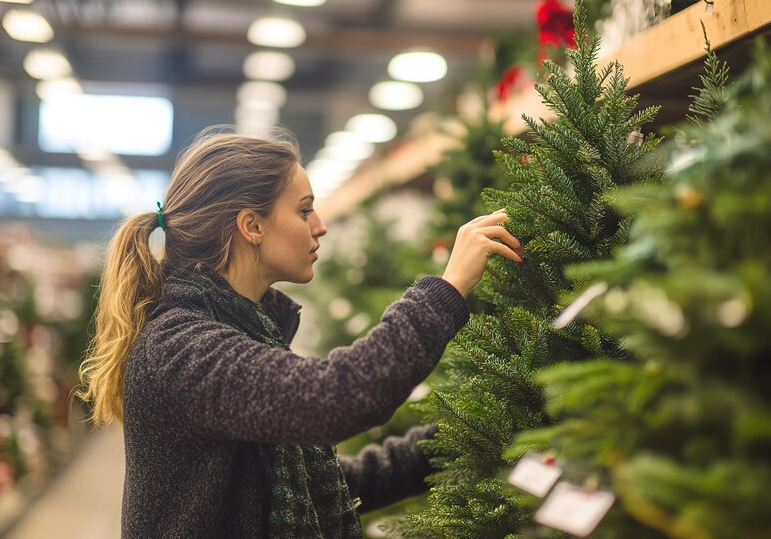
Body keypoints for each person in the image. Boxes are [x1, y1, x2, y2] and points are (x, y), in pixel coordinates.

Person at [78, 127, 523, 539]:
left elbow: (317, 486)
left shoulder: (241, 326)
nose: (320, 226)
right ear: (251, 225)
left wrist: (465, 436)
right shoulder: (180, 345)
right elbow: (338, 396)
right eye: (304, 209)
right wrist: (447, 288)